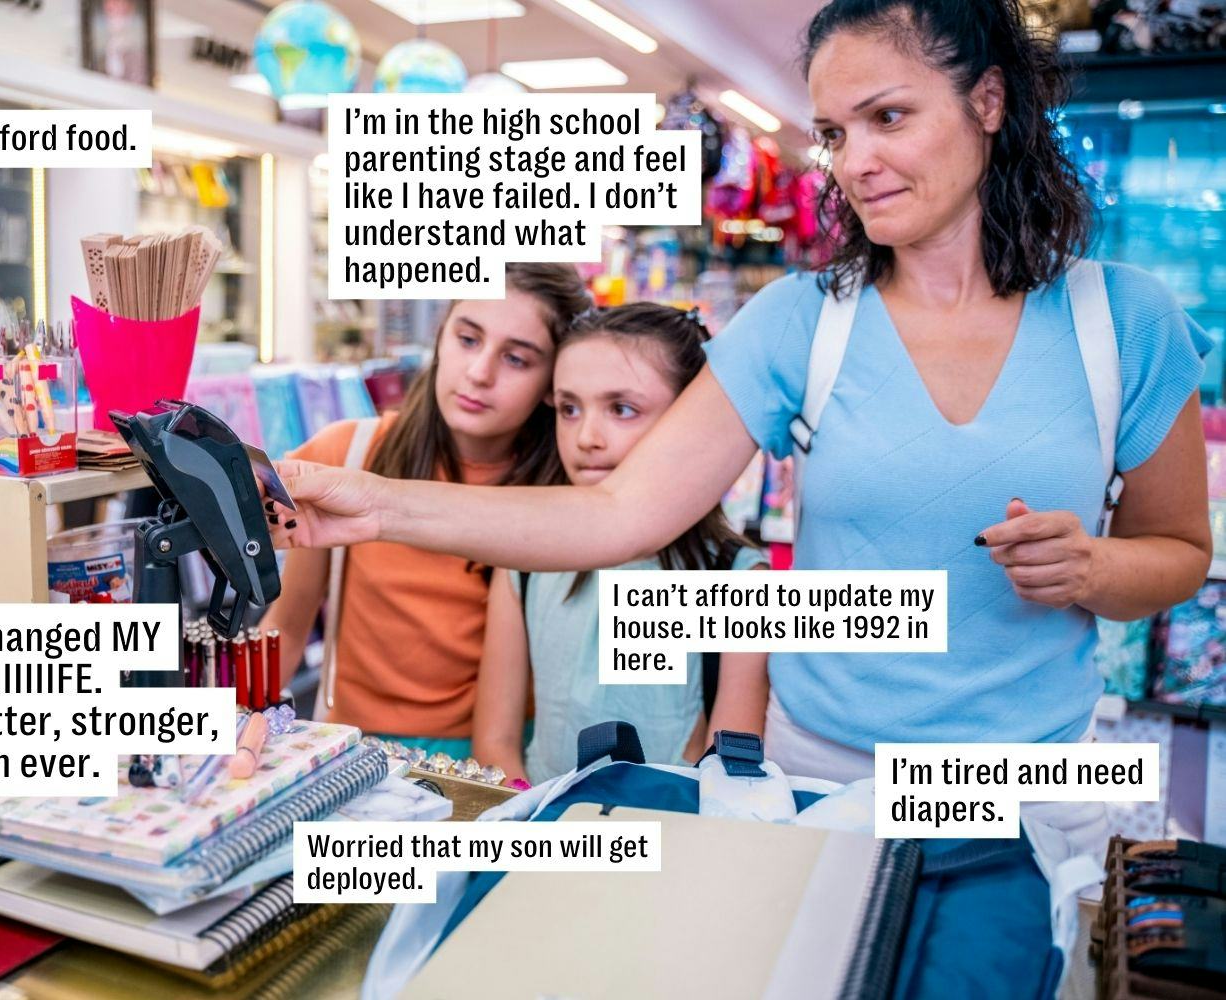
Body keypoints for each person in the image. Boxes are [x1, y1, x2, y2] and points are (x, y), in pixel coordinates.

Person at [272, 0, 1211, 780]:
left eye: (889, 118)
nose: (855, 163)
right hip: (825, 771)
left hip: (1032, 776)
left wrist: (1094, 570)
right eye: (835, 134)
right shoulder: (803, 321)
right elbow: (612, 518)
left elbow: (1174, 552)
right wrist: (377, 503)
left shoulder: (1123, 322)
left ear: (989, 100)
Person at [260, 263, 592, 761]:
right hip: (352, 757)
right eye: (467, 338)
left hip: (501, 765)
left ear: (554, 381)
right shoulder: (345, 455)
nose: (480, 372)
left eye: (517, 359)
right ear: (441, 336)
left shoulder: (564, 496)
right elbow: (285, 630)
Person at [473, 304, 770, 785]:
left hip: (679, 843)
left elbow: (732, 774)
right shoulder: (525, 563)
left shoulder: (737, 578)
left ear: (693, 419)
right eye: (569, 408)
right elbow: (495, 741)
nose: (587, 437)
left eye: (622, 409)